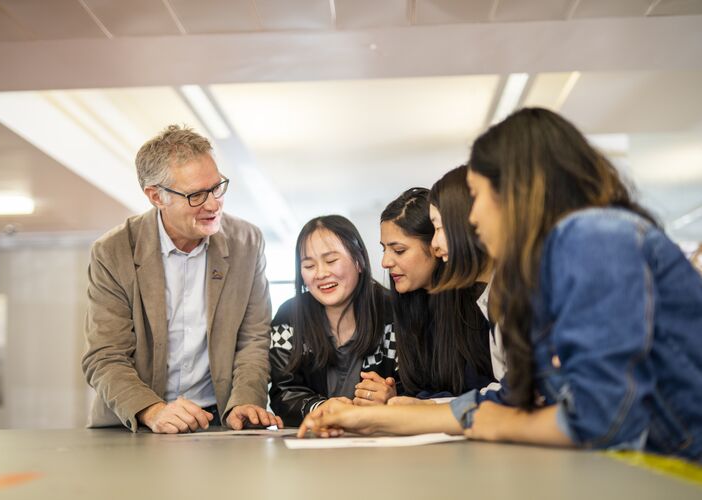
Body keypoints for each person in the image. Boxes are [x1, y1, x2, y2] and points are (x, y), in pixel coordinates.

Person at [298, 108, 702, 462]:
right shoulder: (550, 264)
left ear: (515, 190)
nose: (470, 219)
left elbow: (606, 417)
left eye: (476, 195)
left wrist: (490, 421)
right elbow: (510, 397)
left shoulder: (594, 236)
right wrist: (373, 417)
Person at [83, 125, 282, 433]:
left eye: (217, 188)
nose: (213, 204)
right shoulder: (113, 252)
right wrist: (152, 410)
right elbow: (106, 355)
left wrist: (246, 399)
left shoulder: (246, 242)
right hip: (136, 422)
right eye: (197, 195)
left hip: (218, 419)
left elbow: (253, 339)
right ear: (156, 196)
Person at [269, 215, 399, 426]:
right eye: (309, 266)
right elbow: (283, 394)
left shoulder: (394, 313)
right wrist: (322, 408)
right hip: (313, 447)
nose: (321, 273)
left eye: (331, 261)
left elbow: (415, 388)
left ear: (359, 261)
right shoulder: (288, 317)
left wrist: (392, 398)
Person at [376, 188, 494, 405]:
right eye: (383, 249)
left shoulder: (480, 303)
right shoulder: (408, 304)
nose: (385, 262)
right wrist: (392, 396)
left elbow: (493, 391)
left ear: (436, 245)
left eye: (399, 250)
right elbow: (417, 388)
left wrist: (421, 404)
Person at [427, 166, 506, 387]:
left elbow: (515, 400)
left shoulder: (517, 295)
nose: (434, 245)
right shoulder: (492, 296)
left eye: (439, 227)